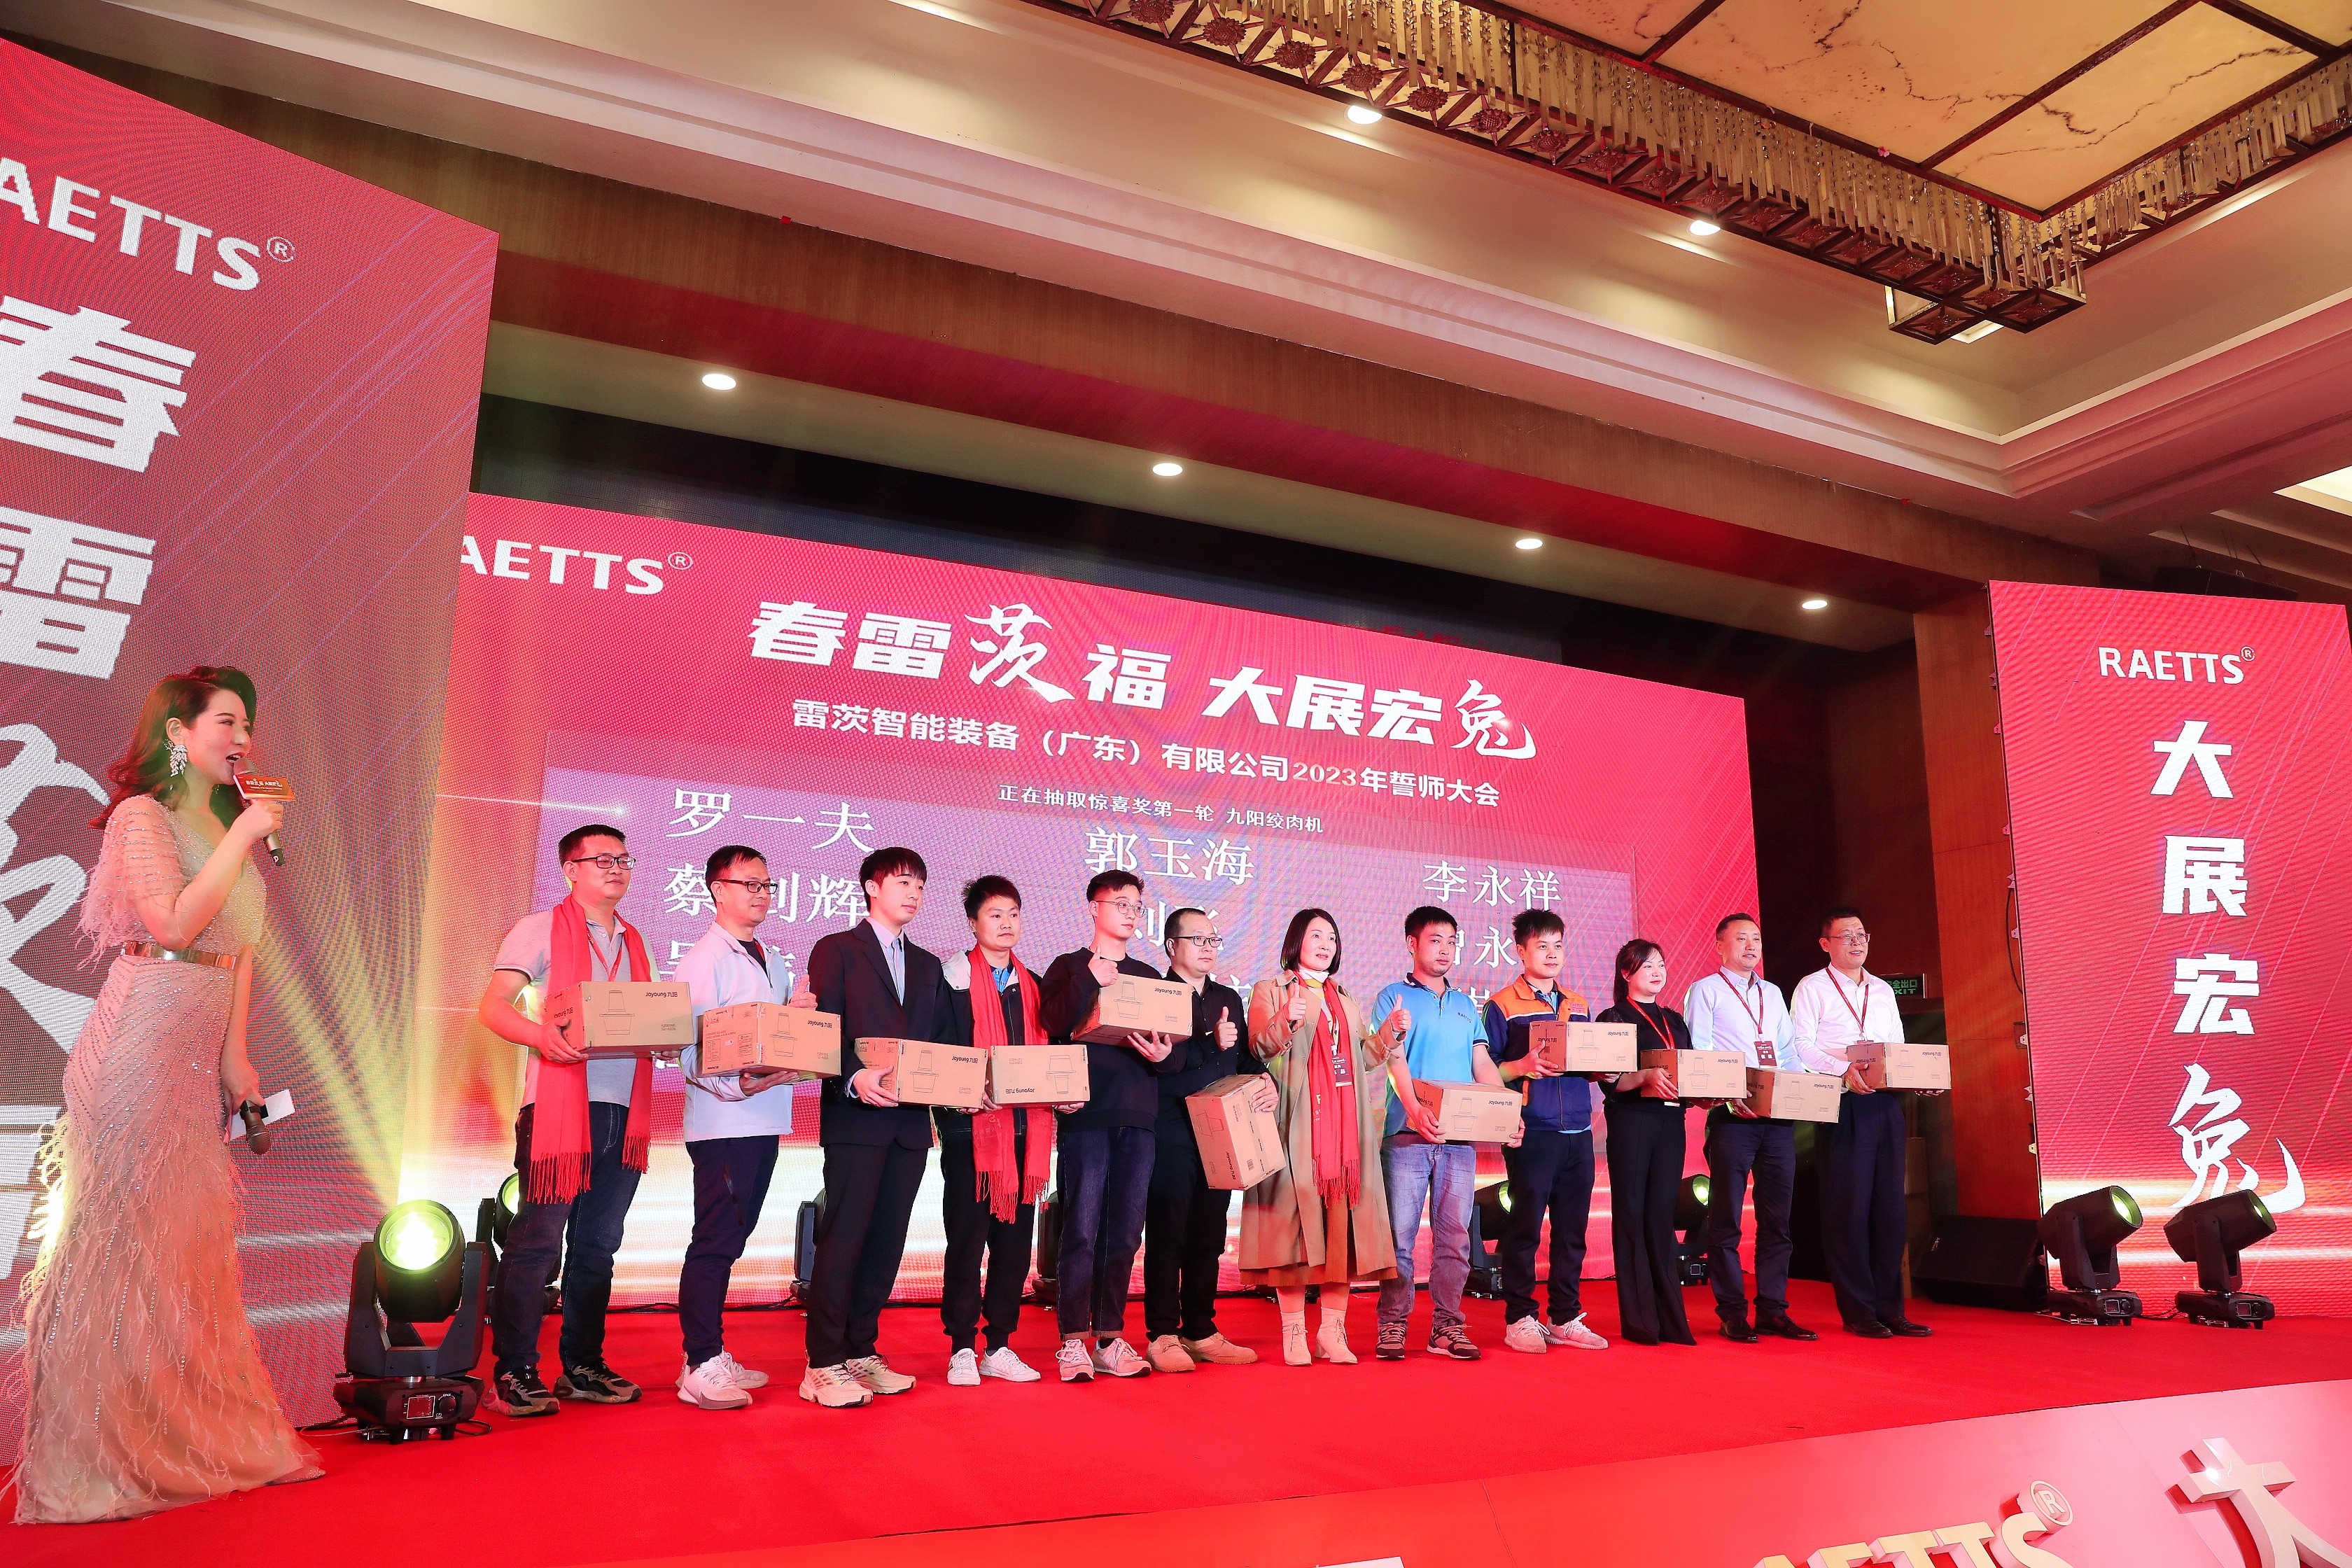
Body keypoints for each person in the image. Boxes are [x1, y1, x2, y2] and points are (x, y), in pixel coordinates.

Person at [15, 667, 318, 1522]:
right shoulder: (142, 817)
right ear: (179, 733)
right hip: (138, 1046)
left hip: (193, 1056)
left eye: (249, 724)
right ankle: (95, 1456)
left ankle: (185, 1436)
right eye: (228, 721)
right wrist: (246, 833)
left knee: (184, 1250)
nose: (244, 738)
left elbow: (239, 946)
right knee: (120, 1246)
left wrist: (237, 1058)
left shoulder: (226, 824)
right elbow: (174, 925)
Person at [477, 821, 659, 1416]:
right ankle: (515, 1370)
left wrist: (664, 1037)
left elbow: (645, 1017)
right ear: (570, 870)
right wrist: (542, 1038)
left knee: (598, 1247)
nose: (616, 868)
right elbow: (492, 1007)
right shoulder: (538, 929)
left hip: (622, 1109)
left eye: (623, 859)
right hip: (557, 1107)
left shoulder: (637, 941)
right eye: (602, 859)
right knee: (536, 1242)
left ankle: (582, 1366)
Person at [801, 846, 960, 1406]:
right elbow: (821, 1030)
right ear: (871, 886)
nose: (913, 893)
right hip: (856, 1119)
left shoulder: (928, 965)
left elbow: (938, 1043)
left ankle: (860, 1350)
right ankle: (822, 1362)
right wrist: (853, 1076)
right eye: (902, 882)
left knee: (887, 1242)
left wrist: (961, 1088)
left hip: (911, 1126)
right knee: (843, 1238)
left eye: (920, 885)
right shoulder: (838, 949)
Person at [1240, 909, 1402, 1366]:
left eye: (1331, 937)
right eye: (1316, 936)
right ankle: (1294, 1332)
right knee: (1292, 1228)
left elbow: (1361, 1058)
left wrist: (1388, 1035)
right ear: (1296, 941)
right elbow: (1258, 1048)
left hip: (1346, 1132)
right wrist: (1285, 1019)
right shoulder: (1271, 990)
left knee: (1341, 1227)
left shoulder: (1344, 997)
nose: (1326, 944)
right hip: (1295, 1124)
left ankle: (1332, 1332)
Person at [669, 845, 798, 1410]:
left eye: (767, 885)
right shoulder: (704, 960)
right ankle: (700, 1363)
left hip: (762, 1120)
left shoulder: (773, 958)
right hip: (724, 1122)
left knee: (733, 1238)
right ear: (717, 889)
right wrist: (738, 1087)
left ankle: (709, 1352)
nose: (761, 895)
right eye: (749, 884)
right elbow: (688, 1049)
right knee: (716, 1240)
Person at [1039, 869, 1180, 1382]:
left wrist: (1164, 1057)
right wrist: (1090, 979)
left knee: (1124, 1232)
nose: (1129, 913)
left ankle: (1110, 1336)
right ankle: (1072, 1340)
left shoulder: (1147, 974)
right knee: (1081, 1227)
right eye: (1119, 903)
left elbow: (1168, 1052)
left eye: (1136, 906)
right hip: (1086, 1115)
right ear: (1093, 908)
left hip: (1138, 1117)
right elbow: (1051, 1023)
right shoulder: (1068, 967)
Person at [935, 876, 1060, 1387]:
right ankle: (962, 1347)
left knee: (1013, 1247)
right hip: (971, 1134)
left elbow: (1051, 1057)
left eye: (1013, 914)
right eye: (994, 914)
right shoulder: (952, 979)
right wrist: (962, 1091)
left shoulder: (1035, 986)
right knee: (967, 1243)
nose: (1006, 923)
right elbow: (937, 1050)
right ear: (973, 923)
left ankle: (1001, 1344)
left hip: (1027, 1135)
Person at [1788, 906, 1934, 1340]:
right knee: (1848, 1210)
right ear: (1825, 944)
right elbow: (1801, 1045)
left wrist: (1917, 1079)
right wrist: (1842, 1072)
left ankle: (1892, 1308)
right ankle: (1858, 1310)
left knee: (1890, 1210)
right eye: (1846, 935)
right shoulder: (1812, 987)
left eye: (1861, 935)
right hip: (1842, 1102)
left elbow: (1897, 1046)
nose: (1856, 942)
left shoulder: (1883, 989)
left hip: (1885, 1104)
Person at [1372, 906, 1508, 1364]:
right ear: (1412, 943)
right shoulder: (1392, 997)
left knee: (1455, 1239)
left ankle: (1447, 1326)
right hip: (1406, 1136)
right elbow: (1393, 1059)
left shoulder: (1467, 1005)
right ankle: (1393, 1322)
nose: (1445, 949)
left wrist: (1505, 1111)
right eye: (1435, 940)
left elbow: (1481, 1062)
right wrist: (1415, 1111)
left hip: (1458, 1139)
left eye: (1452, 941)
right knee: (1400, 1237)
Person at [1141, 906, 1268, 1373]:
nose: (1208, 948)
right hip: (1170, 1127)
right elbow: (1159, 1062)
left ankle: (1200, 1329)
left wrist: (1265, 1078)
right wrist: (1207, 1040)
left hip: (1220, 1132)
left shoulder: (1227, 997)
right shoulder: (1156, 995)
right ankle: (1162, 1334)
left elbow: (1241, 1057)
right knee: (1167, 1233)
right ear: (1171, 946)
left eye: (1213, 940)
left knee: (1209, 1234)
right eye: (1198, 940)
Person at [1684, 913, 1816, 1344]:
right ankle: (1732, 1312)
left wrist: (1797, 1089)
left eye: (1756, 939)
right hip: (1732, 1118)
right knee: (1726, 1219)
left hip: (1776, 1119)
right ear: (1720, 946)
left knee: (1777, 1220)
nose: (1751, 946)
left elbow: (1787, 1051)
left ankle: (1773, 1310)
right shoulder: (1706, 990)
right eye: (1741, 939)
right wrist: (1725, 1095)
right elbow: (1699, 1051)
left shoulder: (1772, 993)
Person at [1484, 908, 1609, 1355]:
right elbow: (1486, 1069)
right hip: (1531, 1131)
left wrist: (1604, 1068)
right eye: (1542, 946)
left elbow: (1589, 1063)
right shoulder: (1502, 1005)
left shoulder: (1578, 1004)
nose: (1552, 954)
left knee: (1572, 1231)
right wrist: (1522, 1066)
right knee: (1525, 1229)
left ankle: (1564, 1316)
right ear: (1520, 951)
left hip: (1578, 1129)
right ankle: (1519, 1317)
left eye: (1558, 945)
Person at [1595, 939, 1702, 1347]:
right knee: (1631, 1214)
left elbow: (1688, 1070)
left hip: (1672, 1121)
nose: (1658, 972)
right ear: (1626, 973)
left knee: (1661, 1215)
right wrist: (1643, 1077)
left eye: (1661, 965)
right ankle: (1641, 1322)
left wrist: (1704, 1093)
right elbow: (1609, 1081)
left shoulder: (1674, 1019)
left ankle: (1671, 1321)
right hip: (1633, 1120)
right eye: (1647, 966)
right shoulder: (1613, 1018)